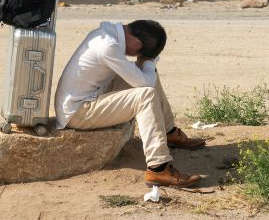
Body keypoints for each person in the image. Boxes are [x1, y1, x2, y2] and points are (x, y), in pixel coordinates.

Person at [54, 20, 205, 187]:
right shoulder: (108, 46)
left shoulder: (107, 34)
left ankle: (168, 132)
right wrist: (147, 62)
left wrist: (147, 64)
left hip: (91, 94)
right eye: (139, 52)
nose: (134, 55)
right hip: (78, 111)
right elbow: (144, 84)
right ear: (137, 42)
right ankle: (158, 168)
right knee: (145, 93)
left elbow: (145, 79)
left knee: (147, 75)